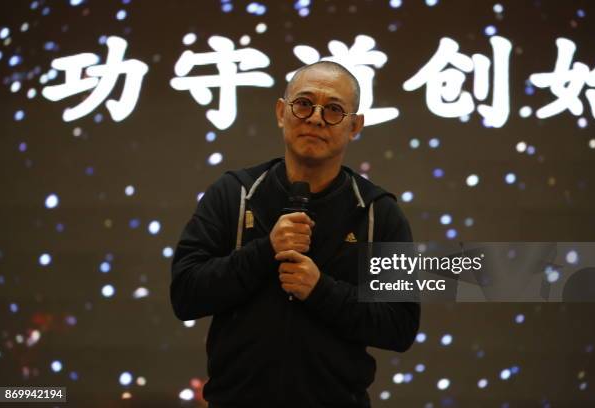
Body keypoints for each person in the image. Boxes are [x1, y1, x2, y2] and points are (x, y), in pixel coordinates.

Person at [170, 61, 420, 408]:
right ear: (281, 112)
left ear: (355, 126)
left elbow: (400, 326)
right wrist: (264, 251)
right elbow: (185, 294)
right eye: (303, 104)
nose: (316, 118)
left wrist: (321, 290)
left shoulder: (378, 211)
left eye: (334, 109)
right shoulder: (235, 193)